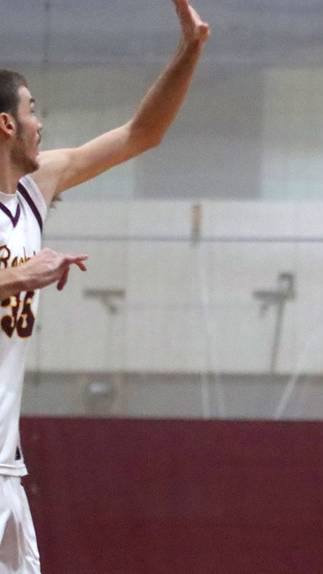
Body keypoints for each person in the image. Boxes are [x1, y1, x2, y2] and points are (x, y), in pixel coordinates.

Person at [0, 1, 209, 571]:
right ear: (7, 124)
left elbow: (142, 133)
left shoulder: (33, 191)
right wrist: (21, 275)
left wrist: (189, 52)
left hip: (6, 465)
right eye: (33, 110)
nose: (42, 124)